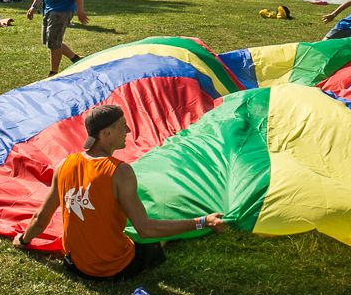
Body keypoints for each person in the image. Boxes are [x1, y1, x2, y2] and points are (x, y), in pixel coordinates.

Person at [13, 105, 229, 279]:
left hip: (76, 264)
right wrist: (203, 222)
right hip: (115, 268)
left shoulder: (64, 164)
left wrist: (23, 240)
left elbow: (41, 218)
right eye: (122, 126)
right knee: (153, 239)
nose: (128, 131)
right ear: (106, 133)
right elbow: (145, 229)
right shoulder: (120, 171)